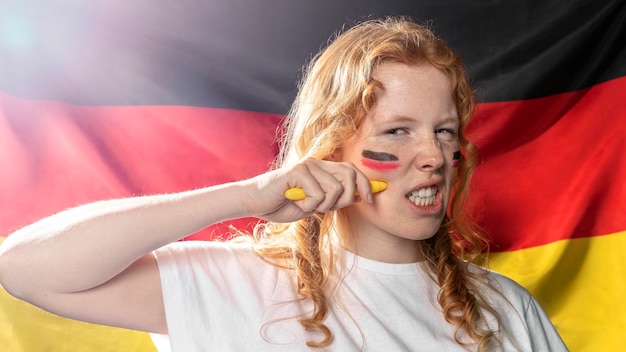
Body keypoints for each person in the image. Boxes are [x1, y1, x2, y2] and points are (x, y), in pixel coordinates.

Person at [0, 17, 567, 351]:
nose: (434, 158)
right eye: (397, 131)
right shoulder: (233, 285)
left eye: (445, 132)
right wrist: (248, 197)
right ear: (330, 147)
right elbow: (22, 268)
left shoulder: (507, 310)